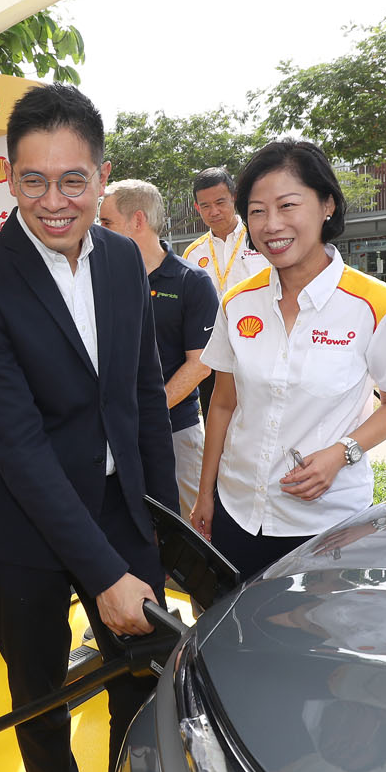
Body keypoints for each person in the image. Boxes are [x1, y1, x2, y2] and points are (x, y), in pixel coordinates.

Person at [0, 83, 178, 772]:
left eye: (73, 181)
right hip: (27, 531)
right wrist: (102, 571)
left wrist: (158, 519)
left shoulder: (122, 260)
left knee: (139, 679)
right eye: (35, 180)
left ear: (102, 176)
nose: (55, 201)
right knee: (39, 686)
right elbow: (15, 444)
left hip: (123, 507)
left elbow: (142, 393)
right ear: (9, 178)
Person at [191, 139, 386, 580]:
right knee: (233, 639)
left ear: (327, 205)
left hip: (327, 526)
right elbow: (222, 403)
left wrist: (342, 452)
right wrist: (206, 496)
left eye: (287, 205)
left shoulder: (375, 305)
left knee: (317, 642)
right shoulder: (238, 302)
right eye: (257, 210)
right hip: (237, 512)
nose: (271, 224)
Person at [98, 178, 219, 518]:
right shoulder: (99, 279)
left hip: (175, 431)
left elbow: (200, 364)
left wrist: (147, 412)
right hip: (113, 436)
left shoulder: (190, 281)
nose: (97, 230)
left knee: (190, 534)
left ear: (137, 220)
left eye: (106, 222)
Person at [180, 166, 265, 414]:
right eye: (205, 206)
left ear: (235, 197)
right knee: (217, 418)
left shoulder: (260, 239)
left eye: (220, 202)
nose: (213, 211)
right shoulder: (193, 254)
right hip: (213, 356)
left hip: (259, 348)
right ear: (197, 208)